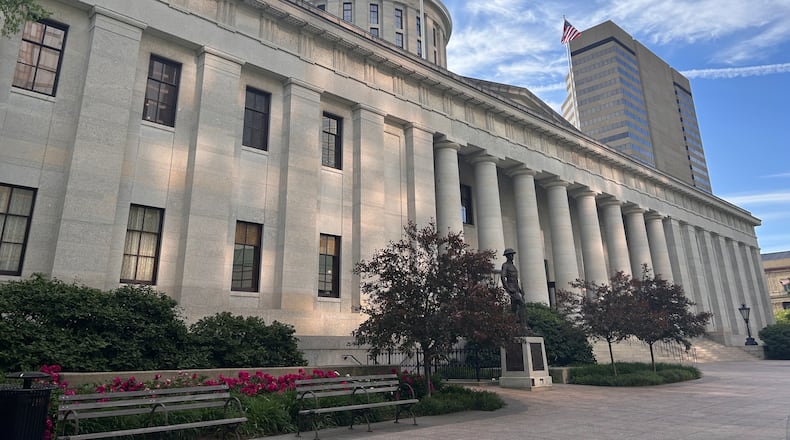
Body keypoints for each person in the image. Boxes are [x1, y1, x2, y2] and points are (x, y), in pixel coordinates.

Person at [501, 248, 527, 328]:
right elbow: (503, 277)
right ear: (507, 256)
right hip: (512, 289)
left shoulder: (513, 266)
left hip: (515, 289)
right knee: (522, 304)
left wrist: (519, 289)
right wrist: (508, 288)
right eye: (510, 254)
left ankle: (513, 324)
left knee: (514, 309)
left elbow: (515, 280)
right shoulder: (505, 265)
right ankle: (523, 325)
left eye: (512, 254)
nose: (512, 256)